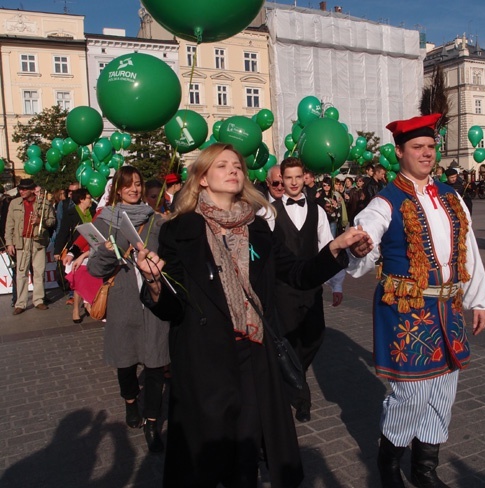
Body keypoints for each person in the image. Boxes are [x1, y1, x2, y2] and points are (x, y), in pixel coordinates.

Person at [134, 143, 370, 487]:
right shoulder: (178, 231)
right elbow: (173, 307)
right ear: (201, 179)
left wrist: (334, 248)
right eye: (222, 166)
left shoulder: (259, 228)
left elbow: (298, 274)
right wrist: (155, 283)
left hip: (253, 352)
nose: (233, 170)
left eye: (237, 166)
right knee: (208, 456)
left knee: (246, 450)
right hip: (204, 358)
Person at [348, 114, 485, 488]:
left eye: (431, 147)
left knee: (444, 390)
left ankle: (425, 469)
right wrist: (363, 247)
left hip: (448, 306)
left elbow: (470, 250)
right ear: (399, 152)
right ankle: (388, 463)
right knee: (411, 393)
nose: (427, 153)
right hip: (407, 310)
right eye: (418, 147)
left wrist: (479, 300)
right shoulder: (386, 201)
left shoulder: (452, 195)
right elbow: (366, 236)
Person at [87, 166, 169, 453]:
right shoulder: (106, 221)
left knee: (156, 363)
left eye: (138, 183)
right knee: (125, 363)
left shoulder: (156, 220)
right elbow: (95, 268)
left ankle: (151, 422)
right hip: (123, 302)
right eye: (128, 185)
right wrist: (109, 250)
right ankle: (131, 402)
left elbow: (171, 256)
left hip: (154, 302)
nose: (134, 189)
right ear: (118, 190)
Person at [272, 157, 345, 423]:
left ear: (305, 178)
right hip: (283, 289)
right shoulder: (268, 212)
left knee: (315, 337)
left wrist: (336, 284)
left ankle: (292, 378)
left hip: (312, 288)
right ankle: (302, 398)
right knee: (289, 341)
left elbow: (329, 248)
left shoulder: (318, 211)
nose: (292, 182)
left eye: (297, 177)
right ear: (281, 178)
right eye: (287, 177)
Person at [4, 178, 55, 315]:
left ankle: (38, 300)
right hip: (21, 241)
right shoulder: (14, 203)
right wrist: (9, 242)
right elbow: (9, 225)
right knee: (21, 273)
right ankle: (20, 303)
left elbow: (52, 221)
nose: (21, 191)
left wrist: (40, 221)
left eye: (24, 189)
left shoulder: (43, 203)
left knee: (39, 272)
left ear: (32, 190)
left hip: (38, 241)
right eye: (20, 189)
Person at [53, 188, 95, 323]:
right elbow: (63, 232)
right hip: (76, 251)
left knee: (92, 279)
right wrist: (57, 250)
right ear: (81, 199)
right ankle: (76, 309)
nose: (91, 200)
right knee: (79, 281)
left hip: (92, 251)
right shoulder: (70, 214)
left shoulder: (93, 213)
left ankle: (89, 303)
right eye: (88, 197)